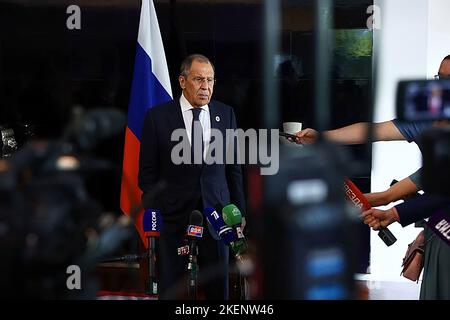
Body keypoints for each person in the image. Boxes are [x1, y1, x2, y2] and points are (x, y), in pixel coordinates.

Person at [138, 54, 246, 300]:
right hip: (173, 220)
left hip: (218, 219)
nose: (206, 86)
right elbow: (147, 175)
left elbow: (233, 169)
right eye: (198, 79)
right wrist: (161, 210)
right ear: (182, 81)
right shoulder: (157, 117)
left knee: (220, 292)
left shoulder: (226, 114)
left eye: (210, 80)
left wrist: (240, 212)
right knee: (171, 291)